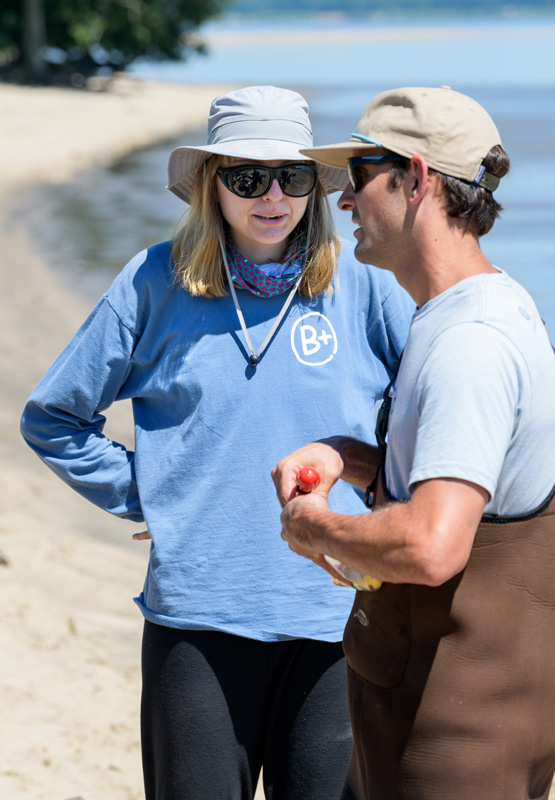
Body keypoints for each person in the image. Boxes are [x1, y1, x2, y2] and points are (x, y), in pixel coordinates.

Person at [20, 85, 413, 800]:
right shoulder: (150, 283)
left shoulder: (364, 282)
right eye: (245, 177)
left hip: (337, 617)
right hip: (197, 620)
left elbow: (428, 411)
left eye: (291, 177)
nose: (271, 196)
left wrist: (403, 508)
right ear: (210, 182)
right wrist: (151, 492)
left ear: (314, 187)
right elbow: (54, 418)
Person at [271, 85, 555, 800]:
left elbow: (431, 546)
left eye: (358, 175)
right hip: (418, 727)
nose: (340, 202)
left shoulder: (470, 344)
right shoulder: (474, 309)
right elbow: (460, 479)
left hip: (455, 752)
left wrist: (313, 530)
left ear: (417, 179)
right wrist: (348, 453)